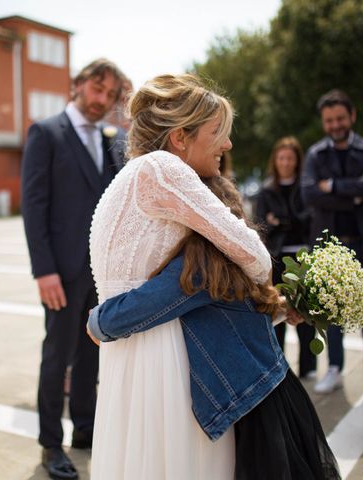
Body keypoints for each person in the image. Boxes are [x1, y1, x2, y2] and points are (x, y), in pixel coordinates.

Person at [88, 175, 341, 480]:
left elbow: (146, 304)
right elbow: (236, 317)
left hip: (248, 398)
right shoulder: (240, 258)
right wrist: (283, 309)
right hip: (273, 385)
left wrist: (98, 322)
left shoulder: (201, 263)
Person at [88, 74, 272, 479]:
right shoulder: (163, 169)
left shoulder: (131, 176)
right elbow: (255, 256)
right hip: (163, 353)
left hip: (126, 351)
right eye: (217, 132)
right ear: (180, 138)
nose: (227, 144)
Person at [20, 58, 127, 480]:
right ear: (78, 85)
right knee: (57, 356)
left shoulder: (109, 137)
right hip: (60, 273)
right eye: (97, 89)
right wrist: (43, 270)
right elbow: (34, 206)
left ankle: (85, 428)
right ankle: (51, 442)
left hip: (100, 272)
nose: (103, 100)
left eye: (110, 94)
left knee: (90, 354)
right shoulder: (46, 133)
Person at [301, 89, 363, 394]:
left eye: (340, 118)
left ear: (352, 116)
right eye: (329, 120)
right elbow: (310, 194)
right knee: (331, 311)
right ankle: (334, 368)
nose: (335, 125)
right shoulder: (315, 154)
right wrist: (356, 194)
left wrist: (334, 187)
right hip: (329, 247)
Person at [255, 136, 316, 378]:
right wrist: (283, 222)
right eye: (281, 157)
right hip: (277, 258)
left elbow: (308, 219)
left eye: (290, 157)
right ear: (275, 160)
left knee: (306, 312)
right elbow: (262, 225)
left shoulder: (305, 187)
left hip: (303, 255)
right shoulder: (267, 190)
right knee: (278, 311)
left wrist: (280, 221)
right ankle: (279, 365)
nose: (285, 162)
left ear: (297, 160)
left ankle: (309, 367)